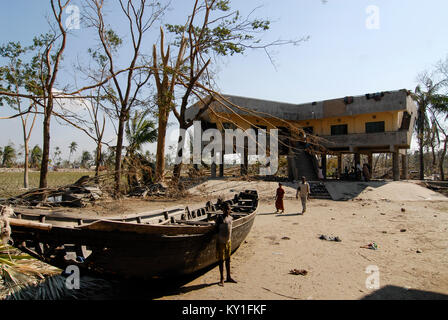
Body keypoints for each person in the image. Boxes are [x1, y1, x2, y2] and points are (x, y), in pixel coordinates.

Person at [216, 202, 237, 286]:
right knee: (221, 260)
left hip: (228, 241)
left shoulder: (231, 218)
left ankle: (228, 276)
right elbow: (216, 229)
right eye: (226, 209)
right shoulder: (220, 218)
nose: (227, 210)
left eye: (228, 208)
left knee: (228, 259)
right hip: (221, 242)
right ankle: (222, 278)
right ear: (222, 210)